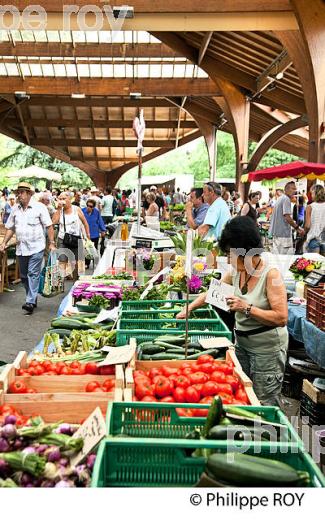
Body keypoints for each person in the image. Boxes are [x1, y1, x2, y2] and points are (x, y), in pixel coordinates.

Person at [177, 216, 288, 405]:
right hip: (242, 345)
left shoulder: (271, 274)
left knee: (263, 402)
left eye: (230, 253)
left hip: (267, 351)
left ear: (244, 250)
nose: (227, 259)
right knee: (243, 396)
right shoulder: (237, 271)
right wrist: (189, 308)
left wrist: (247, 308)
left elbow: (281, 317)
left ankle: (269, 434)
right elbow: (214, 292)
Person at [0, 182, 56, 315]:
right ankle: (32, 295)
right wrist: (4, 243)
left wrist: (52, 243)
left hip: (37, 247)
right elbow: (10, 228)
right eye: (18, 192)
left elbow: (49, 226)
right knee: (24, 276)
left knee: (32, 273)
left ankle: (30, 301)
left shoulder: (40, 207)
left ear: (30, 194)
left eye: (22, 192)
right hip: (21, 248)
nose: (19, 195)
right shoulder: (15, 209)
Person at [52, 191, 90, 281]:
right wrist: (58, 209)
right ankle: (60, 285)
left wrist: (88, 235)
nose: (62, 201)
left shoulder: (76, 209)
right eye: (60, 199)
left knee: (78, 263)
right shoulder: (59, 210)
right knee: (62, 261)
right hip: (63, 239)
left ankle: (76, 282)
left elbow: (85, 222)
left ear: (69, 199)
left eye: (64, 199)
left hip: (76, 238)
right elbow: (53, 222)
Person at [269, 181, 304, 254]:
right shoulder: (286, 199)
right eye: (293, 189)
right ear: (287, 189)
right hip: (284, 235)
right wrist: (297, 228)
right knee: (285, 260)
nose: (295, 191)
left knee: (278, 259)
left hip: (277, 235)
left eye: (295, 189)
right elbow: (287, 217)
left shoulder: (280, 198)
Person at [82, 199, 106, 268]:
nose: (88, 207)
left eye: (91, 206)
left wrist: (103, 230)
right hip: (85, 233)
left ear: (93, 207)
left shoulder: (96, 212)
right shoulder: (82, 211)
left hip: (94, 233)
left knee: (94, 248)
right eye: (87, 205)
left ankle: (94, 262)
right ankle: (87, 263)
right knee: (86, 248)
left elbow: (100, 221)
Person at [304, 184, 325, 255]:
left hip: (313, 238)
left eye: (312, 193)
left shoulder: (310, 207)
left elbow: (307, 226)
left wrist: (304, 233)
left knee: (314, 263)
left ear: (315, 193)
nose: (311, 195)